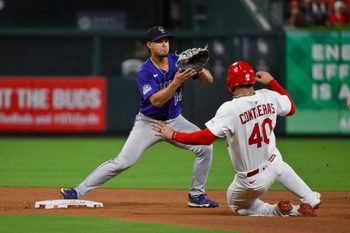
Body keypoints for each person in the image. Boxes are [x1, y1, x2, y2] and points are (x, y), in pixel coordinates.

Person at [60, 26, 219, 208]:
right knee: (123, 162)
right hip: (149, 124)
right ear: (149, 45)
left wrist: (198, 68)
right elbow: (156, 101)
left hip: (175, 121)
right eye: (159, 41)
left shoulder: (178, 61)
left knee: (205, 147)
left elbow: (209, 81)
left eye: (166, 41)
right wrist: (176, 82)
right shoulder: (144, 71)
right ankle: (77, 191)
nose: (164, 44)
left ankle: (197, 195)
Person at [153, 61, 321, 216]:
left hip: (252, 180)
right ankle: (310, 198)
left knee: (237, 204)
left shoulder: (230, 108)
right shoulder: (269, 95)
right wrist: (271, 81)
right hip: (273, 163)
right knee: (278, 164)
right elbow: (291, 108)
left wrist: (173, 134)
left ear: (230, 83)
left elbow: (205, 138)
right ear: (252, 80)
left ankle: (278, 210)